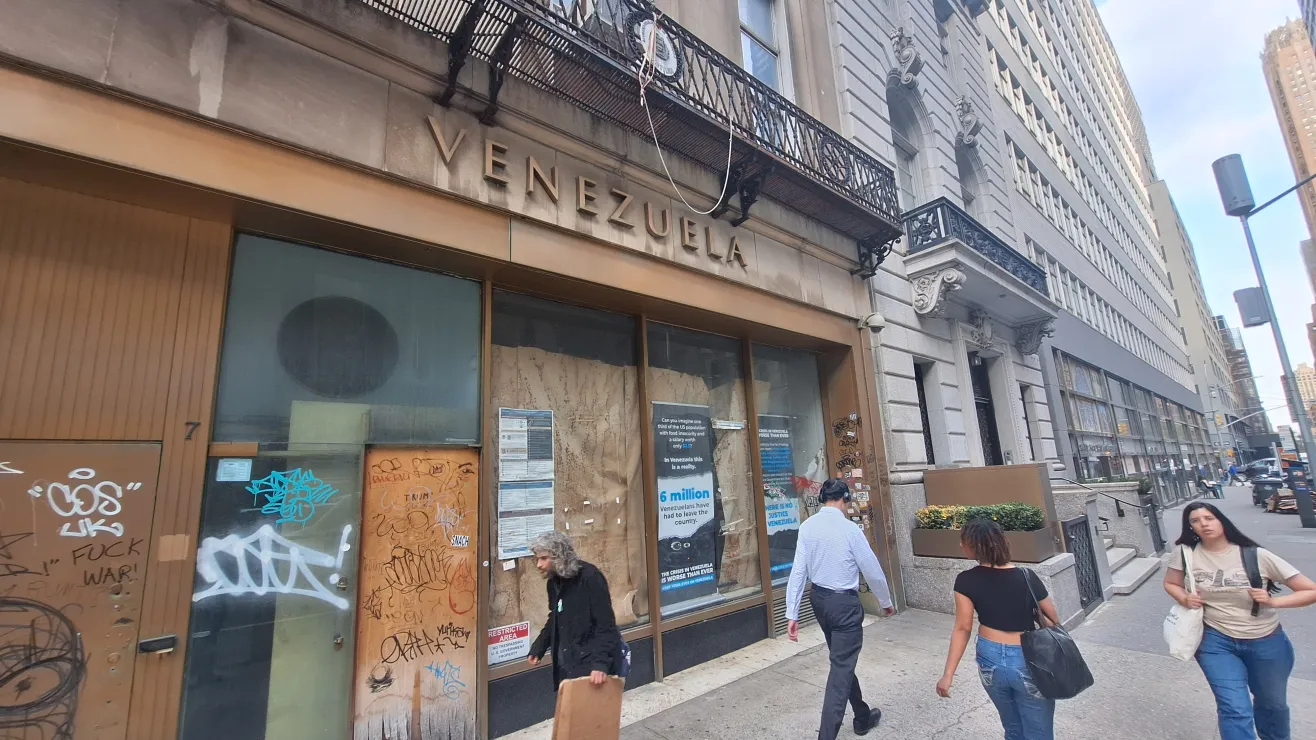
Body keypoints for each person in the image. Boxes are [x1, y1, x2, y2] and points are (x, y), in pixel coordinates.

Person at [1163, 502, 1316, 740]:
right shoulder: (1185, 554)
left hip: (1266, 640)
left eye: (1209, 518)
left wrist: (1273, 601)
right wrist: (1185, 598)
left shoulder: (1255, 555)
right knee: (1234, 709)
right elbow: (1171, 583)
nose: (1203, 524)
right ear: (1190, 527)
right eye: (1195, 521)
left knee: (1272, 705)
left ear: (1221, 520)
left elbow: (1310, 590)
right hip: (1215, 641)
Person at [784, 478, 895, 740]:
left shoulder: (807, 527)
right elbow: (872, 569)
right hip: (844, 604)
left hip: (819, 600)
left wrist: (792, 612)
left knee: (841, 661)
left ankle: (862, 715)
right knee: (841, 667)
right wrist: (885, 602)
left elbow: (798, 571)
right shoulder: (849, 529)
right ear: (845, 499)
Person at [936, 518, 1060, 740]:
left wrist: (948, 674)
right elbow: (1053, 620)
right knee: (1039, 732)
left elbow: (963, 628)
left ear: (974, 545)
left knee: (1013, 728)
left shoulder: (965, 580)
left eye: (963, 541)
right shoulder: (1027, 576)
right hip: (1026, 657)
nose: (961, 545)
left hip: (990, 657)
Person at [527, 531, 619, 688]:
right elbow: (555, 618)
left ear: (560, 556)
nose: (539, 565)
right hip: (566, 665)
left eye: (544, 558)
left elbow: (605, 624)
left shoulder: (590, 577)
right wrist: (539, 647)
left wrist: (600, 664)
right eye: (537, 559)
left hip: (590, 667)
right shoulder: (554, 582)